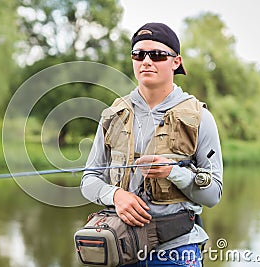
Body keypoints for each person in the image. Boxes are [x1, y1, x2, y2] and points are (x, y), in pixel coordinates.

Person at [80, 22, 223, 267]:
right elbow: (89, 179)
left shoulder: (200, 117)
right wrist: (115, 195)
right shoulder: (112, 115)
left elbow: (212, 195)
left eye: (157, 55)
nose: (146, 61)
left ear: (176, 62)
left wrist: (172, 173)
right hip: (120, 251)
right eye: (138, 54)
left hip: (176, 253)